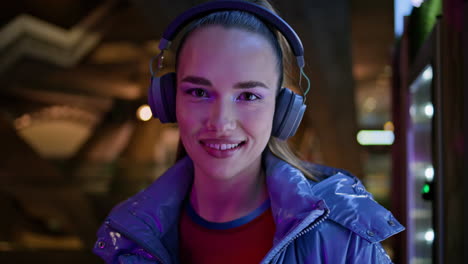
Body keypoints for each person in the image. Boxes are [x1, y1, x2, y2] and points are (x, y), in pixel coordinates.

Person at [93, 0, 404, 263]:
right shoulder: (128, 233)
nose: (221, 122)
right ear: (169, 98)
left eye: (249, 96)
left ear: (282, 109)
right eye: (199, 93)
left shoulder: (344, 236)